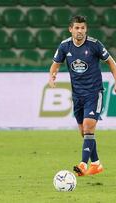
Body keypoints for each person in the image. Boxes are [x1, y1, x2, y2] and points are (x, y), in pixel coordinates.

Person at [49, 15, 116, 176]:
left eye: (83, 28)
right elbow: (55, 64)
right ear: (70, 29)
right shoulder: (65, 46)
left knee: (88, 127)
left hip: (94, 93)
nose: (80, 31)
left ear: (86, 29)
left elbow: (111, 62)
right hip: (77, 95)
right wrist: (52, 76)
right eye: (77, 28)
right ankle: (96, 164)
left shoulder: (94, 45)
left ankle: (83, 164)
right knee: (84, 132)